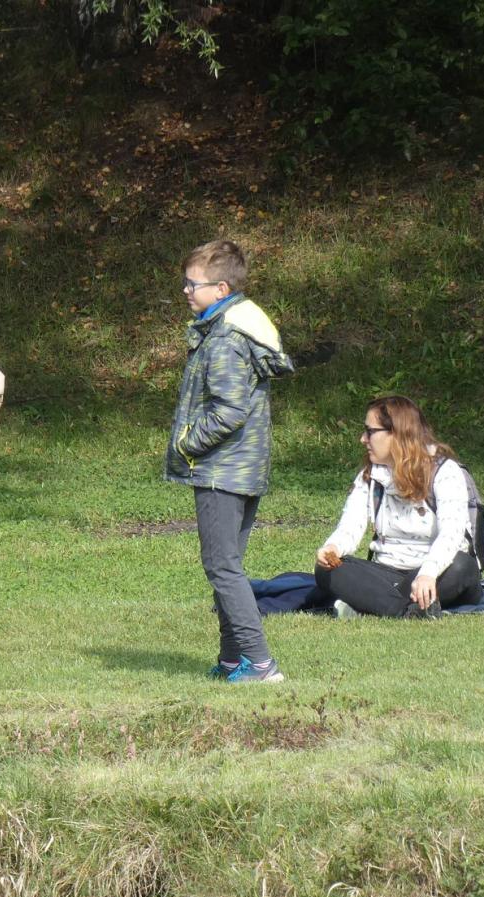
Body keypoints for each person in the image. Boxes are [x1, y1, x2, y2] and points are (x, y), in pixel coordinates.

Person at [164, 239, 294, 683]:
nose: (185, 291)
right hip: (244, 467)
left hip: (223, 470)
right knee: (228, 566)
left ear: (221, 289)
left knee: (222, 568)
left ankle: (260, 663)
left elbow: (229, 411)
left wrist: (187, 444)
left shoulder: (224, 340)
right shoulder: (235, 328)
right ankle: (231, 660)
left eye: (192, 284)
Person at [315, 395, 483, 618]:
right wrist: (333, 548)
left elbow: (451, 534)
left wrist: (427, 574)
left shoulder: (445, 471)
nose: (363, 439)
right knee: (328, 571)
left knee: (462, 566)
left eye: (370, 432)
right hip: (387, 573)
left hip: (438, 572)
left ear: (397, 434)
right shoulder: (370, 476)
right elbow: (350, 526)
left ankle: (372, 605)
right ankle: (407, 611)